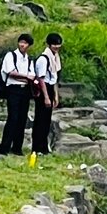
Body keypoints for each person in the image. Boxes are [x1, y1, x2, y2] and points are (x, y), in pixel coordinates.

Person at [0, 33, 36, 156]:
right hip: (13, 89)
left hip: (25, 90)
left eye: (25, 43)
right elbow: (11, 72)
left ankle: (17, 147)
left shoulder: (28, 59)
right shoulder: (11, 56)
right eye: (21, 42)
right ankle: (5, 146)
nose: (22, 45)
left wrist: (25, 78)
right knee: (12, 117)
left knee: (22, 118)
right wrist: (25, 77)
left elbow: (32, 75)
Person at [31, 32, 63, 160]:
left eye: (58, 44)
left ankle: (43, 147)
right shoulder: (43, 59)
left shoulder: (55, 58)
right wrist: (46, 97)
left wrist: (55, 96)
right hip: (43, 90)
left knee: (46, 120)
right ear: (49, 45)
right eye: (54, 44)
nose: (56, 47)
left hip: (51, 88)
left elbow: (54, 78)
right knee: (40, 119)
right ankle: (36, 147)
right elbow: (41, 79)